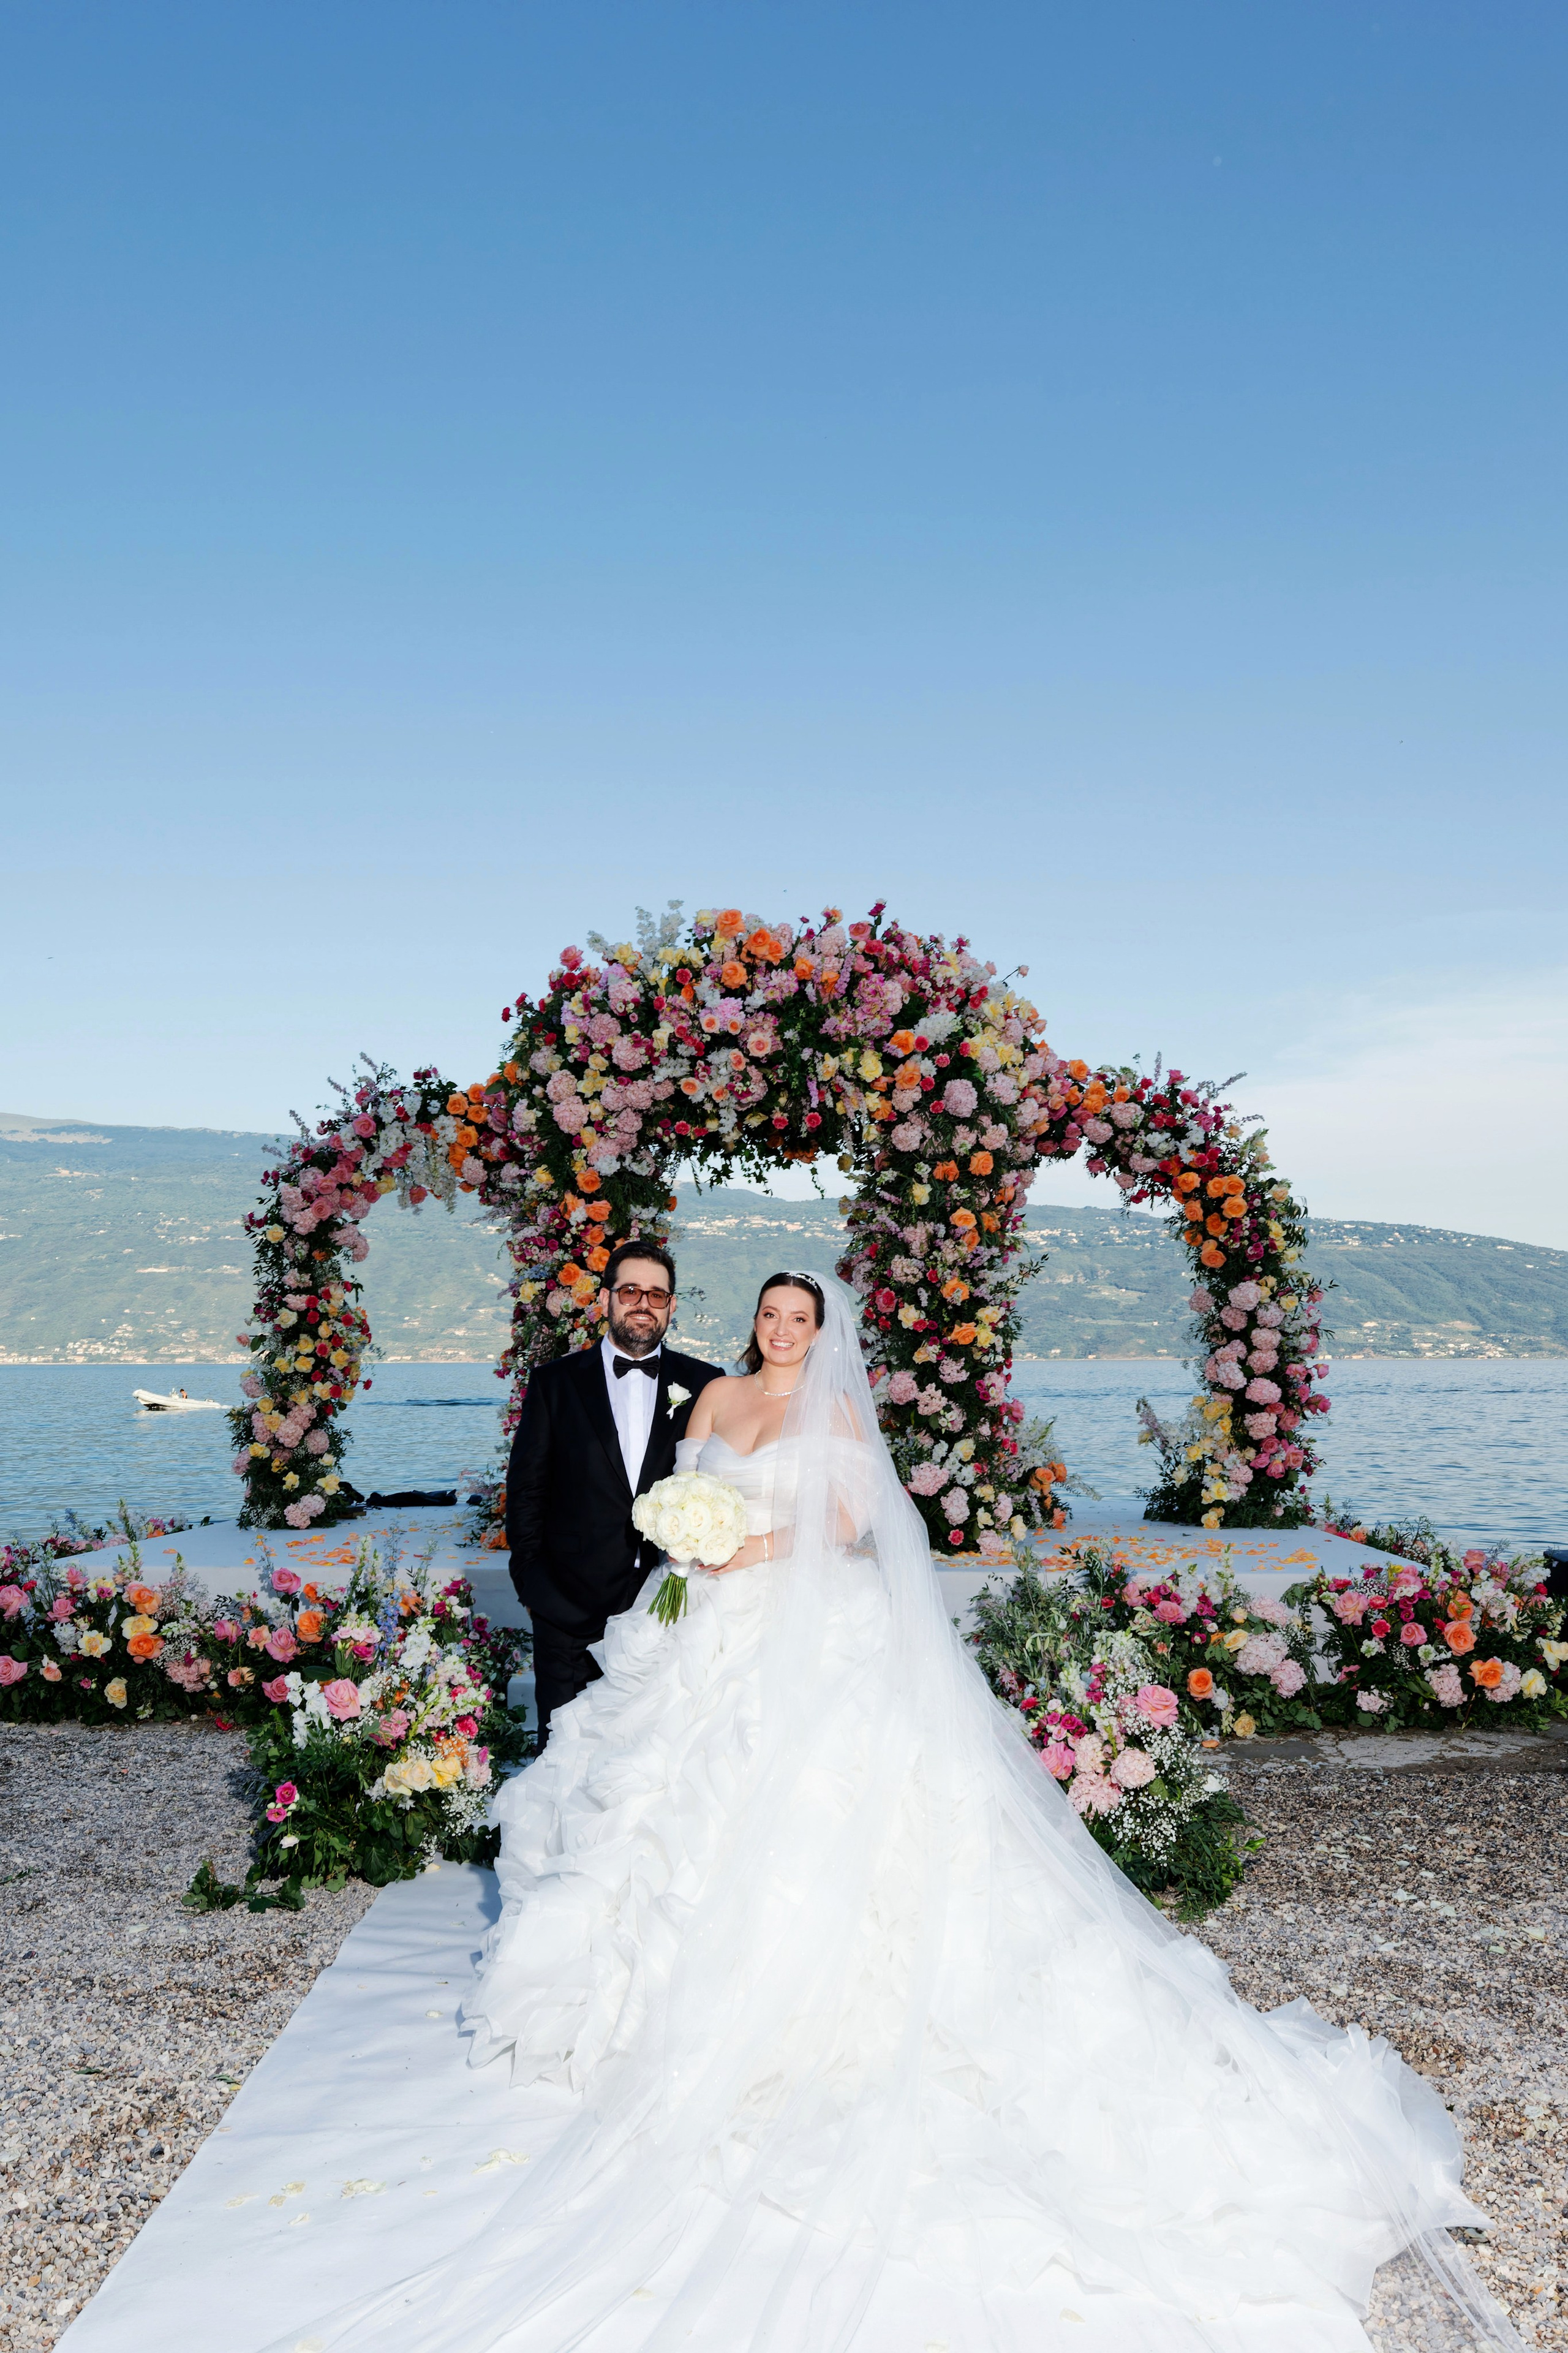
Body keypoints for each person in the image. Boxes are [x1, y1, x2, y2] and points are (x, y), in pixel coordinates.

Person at [283, 1274, 1517, 2353]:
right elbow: (671, 1496)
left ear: (822, 1334)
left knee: (826, 1815)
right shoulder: (707, 1400)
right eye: (765, 1313)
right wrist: (684, 1539)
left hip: (799, 1634)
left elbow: (846, 1529)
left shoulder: (828, 1415)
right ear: (749, 1323)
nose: (777, 1330)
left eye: (797, 1317)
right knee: (650, 1804)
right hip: (697, 1633)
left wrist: (734, 1551)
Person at [504, 1240, 725, 1740]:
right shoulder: (554, 1384)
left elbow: (721, 1489)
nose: (643, 1303)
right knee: (561, 1763)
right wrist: (539, 1592)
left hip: (668, 1619)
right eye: (630, 1290)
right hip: (568, 1618)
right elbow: (526, 1495)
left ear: (672, 1305)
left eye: (657, 1294)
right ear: (605, 1298)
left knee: (648, 1773)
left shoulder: (707, 1384)